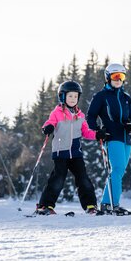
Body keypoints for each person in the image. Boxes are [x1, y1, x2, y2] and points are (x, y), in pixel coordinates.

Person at [35, 80, 101, 216]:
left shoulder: (80, 116)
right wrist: (48, 127)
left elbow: (86, 132)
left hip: (76, 153)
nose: (73, 99)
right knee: (58, 178)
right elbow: (50, 122)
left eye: (75, 96)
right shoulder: (57, 113)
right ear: (62, 96)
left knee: (83, 179)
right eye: (70, 96)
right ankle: (45, 206)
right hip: (61, 152)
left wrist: (97, 135)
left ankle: (90, 206)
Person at [85, 62, 131, 215]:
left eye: (121, 76)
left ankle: (107, 204)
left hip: (126, 138)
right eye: (115, 76)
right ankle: (114, 205)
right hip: (111, 136)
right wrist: (97, 131)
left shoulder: (126, 98)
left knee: (118, 172)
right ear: (108, 78)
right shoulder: (101, 96)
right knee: (117, 169)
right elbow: (91, 116)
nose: (118, 80)